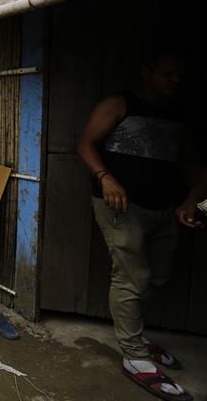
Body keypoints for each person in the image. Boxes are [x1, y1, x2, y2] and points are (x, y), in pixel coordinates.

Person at [77, 49, 205, 401]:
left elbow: (194, 168)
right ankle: (135, 357)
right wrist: (105, 177)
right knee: (133, 276)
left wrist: (194, 199)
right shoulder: (120, 104)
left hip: (165, 208)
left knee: (158, 275)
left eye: (179, 74)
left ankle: (134, 333)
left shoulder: (180, 115)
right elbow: (85, 144)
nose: (175, 81)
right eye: (167, 73)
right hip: (120, 205)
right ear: (146, 72)